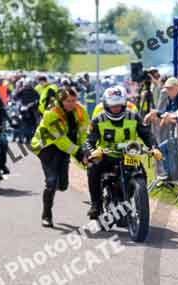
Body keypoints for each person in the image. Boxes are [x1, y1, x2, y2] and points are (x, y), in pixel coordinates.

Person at [84, 86, 161, 220]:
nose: (116, 108)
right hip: (106, 155)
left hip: (128, 155)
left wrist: (154, 147)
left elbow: (147, 134)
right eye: (113, 106)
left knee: (141, 173)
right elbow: (88, 141)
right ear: (106, 105)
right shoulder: (98, 120)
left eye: (119, 105)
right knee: (93, 168)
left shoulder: (134, 116)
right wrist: (94, 151)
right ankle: (96, 204)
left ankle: (137, 198)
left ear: (124, 103)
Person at [30, 86, 90, 227]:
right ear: (60, 101)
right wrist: (78, 152)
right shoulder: (52, 113)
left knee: (62, 185)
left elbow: (83, 132)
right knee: (51, 182)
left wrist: (85, 149)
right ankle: (46, 215)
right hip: (46, 147)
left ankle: (55, 186)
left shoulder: (81, 111)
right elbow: (60, 139)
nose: (71, 104)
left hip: (64, 148)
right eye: (68, 101)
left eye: (74, 100)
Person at [12, 77, 40, 145]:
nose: (27, 87)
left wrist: (34, 104)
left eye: (28, 85)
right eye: (27, 85)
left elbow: (38, 100)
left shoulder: (34, 91)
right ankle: (19, 137)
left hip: (32, 110)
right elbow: (15, 97)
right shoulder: (23, 90)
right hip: (23, 110)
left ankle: (31, 137)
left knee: (35, 122)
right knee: (17, 121)